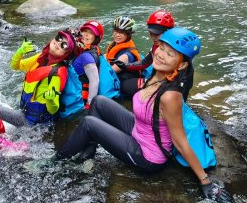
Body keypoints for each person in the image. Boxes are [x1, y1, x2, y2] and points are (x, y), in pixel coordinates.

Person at [55, 27, 234, 203]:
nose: (161, 54)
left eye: (170, 54)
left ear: (182, 64)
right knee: (99, 101)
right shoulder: (156, 76)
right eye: (162, 48)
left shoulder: (170, 96)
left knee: (88, 123)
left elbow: (180, 142)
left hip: (147, 156)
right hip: (139, 130)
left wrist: (206, 182)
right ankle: (88, 155)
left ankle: (55, 162)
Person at [0, 30, 80, 126]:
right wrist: (20, 52)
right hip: (26, 112)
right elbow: (16, 66)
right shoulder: (42, 57)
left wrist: (50, 100)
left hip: (34, 123)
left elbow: (53, 110)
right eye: (59, 38)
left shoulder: (56, 74)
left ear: (66, 54)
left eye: (64, 45)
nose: (58, 43)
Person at [114, 10, 182, 97]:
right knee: (124, 79)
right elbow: (144, 63)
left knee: (125, 86)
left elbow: (182, 76)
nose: (153, 37)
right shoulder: (155, 46)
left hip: (166, 84)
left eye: (157, 34)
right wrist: (125, 65)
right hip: (156, 79)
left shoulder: (176, 50)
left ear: (167, 32)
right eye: (151, 34)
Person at [73, 20, 104, 109]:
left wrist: (89, 104)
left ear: (96, 38)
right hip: (78, 94)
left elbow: (95, 81)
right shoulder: (90, 51)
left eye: (90, 33)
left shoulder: (87, 56)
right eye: (84, 31)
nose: (85, 34)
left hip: (81, 99)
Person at [105, 16, 141, 84]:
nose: (117, 35)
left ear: (128, 35)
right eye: (116, 31)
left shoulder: (126, 56)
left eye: (121, 33)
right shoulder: (115, 44)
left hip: (126, 82)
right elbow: (106, 56)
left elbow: (110, 72)